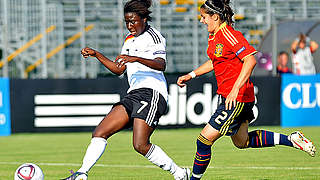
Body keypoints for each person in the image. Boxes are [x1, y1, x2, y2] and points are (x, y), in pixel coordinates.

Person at [176, 0, 316, 179]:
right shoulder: (215, 36)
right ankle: (291, 139)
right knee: (242, 142)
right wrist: (192, 74)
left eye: (204, 17)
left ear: (215, 17)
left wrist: (235, 89)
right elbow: (215, 61)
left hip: (237, 97)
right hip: (232, 96)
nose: (202, 21)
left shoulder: (228, 34)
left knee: (203, 140)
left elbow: (250, 60)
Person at [62, 0, 190, 179]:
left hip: (152, 93)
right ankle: (82, 173)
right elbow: (119, 69)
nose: (130, 25)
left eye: (133, 21)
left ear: (144, 19)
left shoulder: (154, 37)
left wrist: (136, 58)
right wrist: (97, 54)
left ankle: (179, 173)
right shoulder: (129, 40)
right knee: (100, 132)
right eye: (127, 22)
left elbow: (161, 65)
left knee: (140, 144)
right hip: (133, 94)